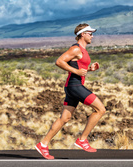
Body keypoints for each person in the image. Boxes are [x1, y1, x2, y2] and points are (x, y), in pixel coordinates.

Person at [35, 23, 106, 159]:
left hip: (73, 86)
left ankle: (43, 144)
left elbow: (79, 69)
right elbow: (59, 61)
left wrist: (90, 69)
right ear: (83, 34)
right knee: (100, 109)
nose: (92, 36)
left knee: (65, 118)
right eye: (90, 33)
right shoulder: (75, 49)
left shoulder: (83, 51)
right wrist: (76, 71)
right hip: (75, 87)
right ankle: (82, 140)